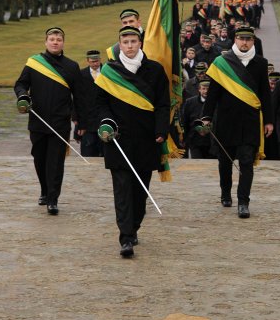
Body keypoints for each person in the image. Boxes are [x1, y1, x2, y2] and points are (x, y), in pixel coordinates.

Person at [95, 26, 170, 258]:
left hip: (147, 139)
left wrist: (161, 130)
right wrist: (107, 123)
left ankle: (134, 227)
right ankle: (125, 237)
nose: (129, 46)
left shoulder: (155, 70)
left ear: (140, 43)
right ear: (120, 44)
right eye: (125, 42)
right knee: (122, 190)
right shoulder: (109, 71)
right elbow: (99, 104)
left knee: (140, 191)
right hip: (118, 140)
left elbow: (163, 104)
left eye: (133, 41)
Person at [202, 25, 273, 218]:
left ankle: (243, 201)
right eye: (241, 39)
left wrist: (268, 120)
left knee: (247, 162)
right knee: (224, 161)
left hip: (250, 122)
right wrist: (206, 117)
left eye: (248, 40)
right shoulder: (221, 62)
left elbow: (265, 95)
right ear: (235, 40)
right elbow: (213, 93)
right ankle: (225, 193)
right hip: (226, 120)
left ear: (253, 42)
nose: (244, 43)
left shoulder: (260, 63)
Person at [14, 26, 86, 215]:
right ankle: (45, 191)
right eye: (52, 39)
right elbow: (21, 84)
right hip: (37, 119)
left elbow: (79, 96)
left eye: (59, 39)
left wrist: (80, 122)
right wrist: (23, 96)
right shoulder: (34, 63)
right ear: (46, 42)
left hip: (60, 122)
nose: (55, 42)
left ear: (63, 43)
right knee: (39, 158)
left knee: (56, 161)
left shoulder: (72, 66)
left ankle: (53, 199)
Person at [75, 50, 104, 157]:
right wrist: (77, 123)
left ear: (100, 60)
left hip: (103, 118)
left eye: (97, 61)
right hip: (87, 122)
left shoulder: (107, 72)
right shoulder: (81, 75)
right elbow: (77, 99)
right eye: (92, 61)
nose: (95, 64)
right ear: (87, 61)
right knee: (88, 154)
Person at [181, 79, 215, 159]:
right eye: (203, 89)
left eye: (208, 89)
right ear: (199, 89)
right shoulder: (190, 102)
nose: (206, 91)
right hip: (194, 141)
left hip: (212, 142)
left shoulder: (216, 102)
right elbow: (185, 121)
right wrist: (185, 138)